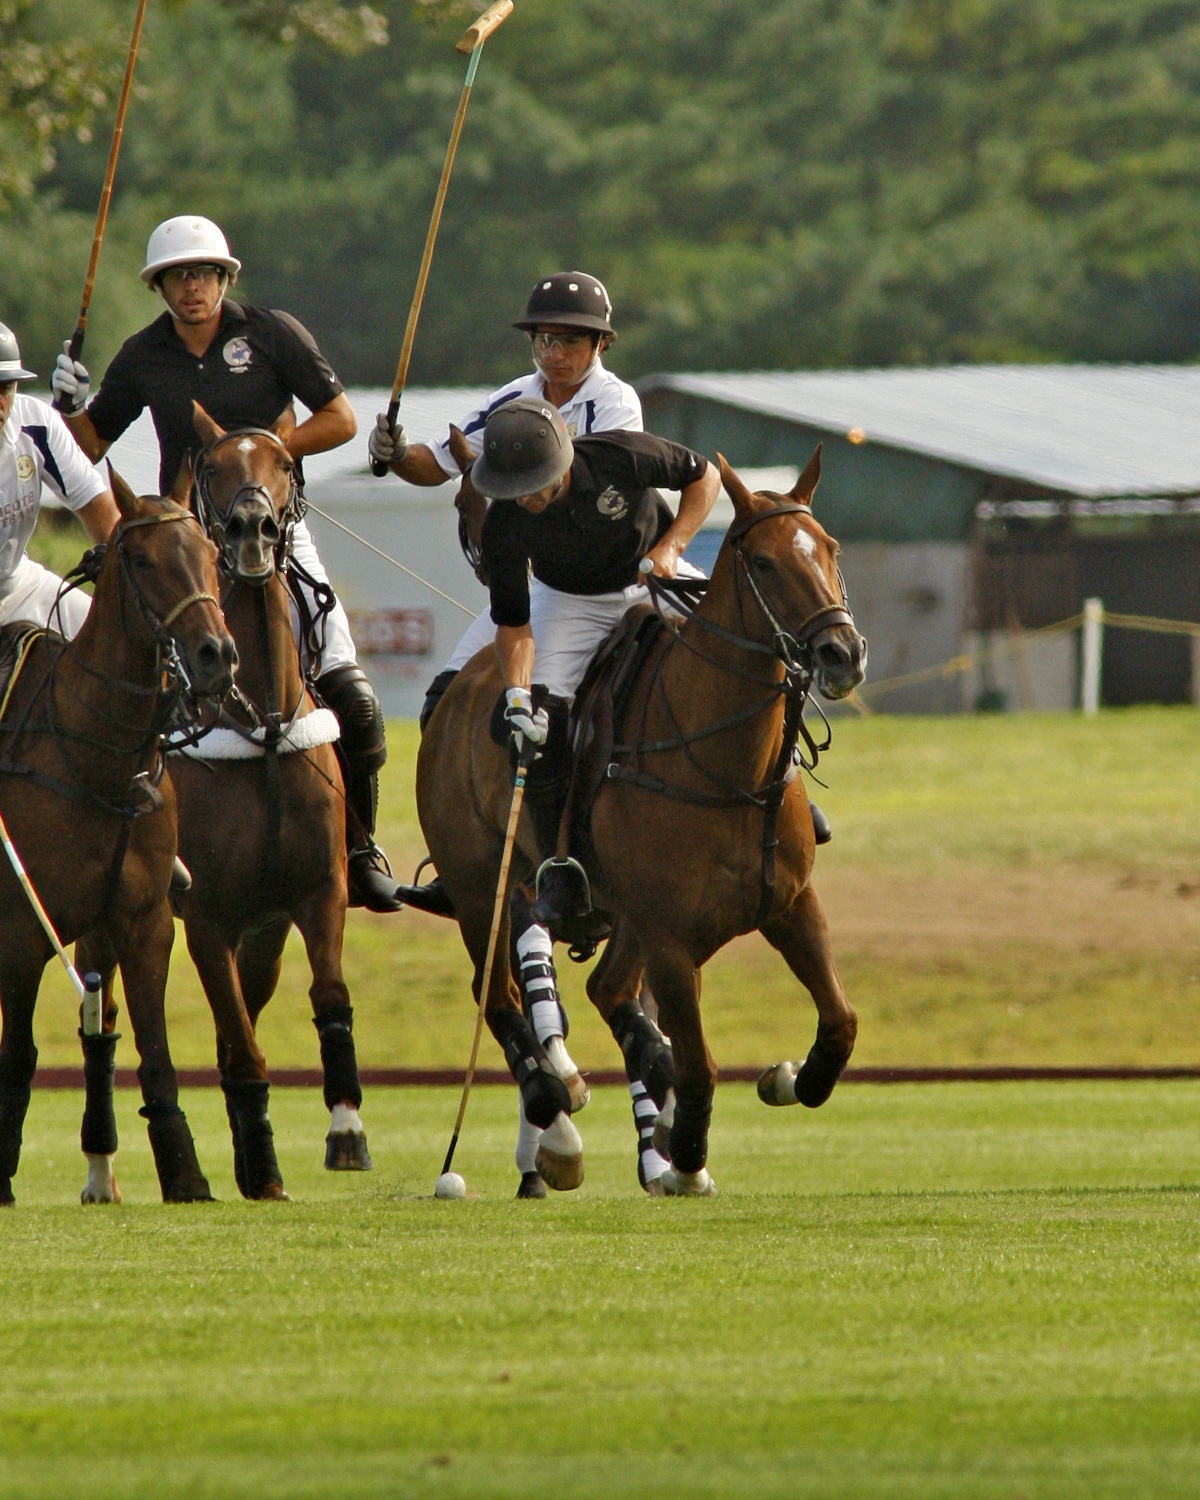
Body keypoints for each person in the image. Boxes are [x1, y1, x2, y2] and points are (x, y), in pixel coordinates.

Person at [50, 215, 402, 912]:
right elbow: (87, 445)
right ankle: (135, 847)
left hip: (273, 532)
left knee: (352, 693)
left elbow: (340, 418)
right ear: (159, 288)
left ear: (224, 278)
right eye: (178, 277)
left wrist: (262, 457)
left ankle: (359, 853)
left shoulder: (272, 334)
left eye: (205, 274)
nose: (193, 287)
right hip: (186, 545)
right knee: (137, 688)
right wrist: (69, 405)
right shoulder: (144, 355)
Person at [471, 398, 720, 1191]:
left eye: (538, 487)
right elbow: (515, 627)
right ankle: (563, 868)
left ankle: (779, 797)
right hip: (570, 609)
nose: (530, 501)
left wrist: (673, 546)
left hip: (654, 577)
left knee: (751, 650)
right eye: (517, 492)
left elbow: (705, 476)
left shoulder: (618, 455)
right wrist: (518, 694)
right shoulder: (505, 523)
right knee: (539, 728)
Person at [367, 271, 642, 729]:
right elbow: (439, 461)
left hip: (630, 573)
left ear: (600, 344)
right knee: (443, 704)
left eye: (570, 341)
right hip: (557, 585)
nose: (554, 354)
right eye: (544, 340)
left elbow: (597, 494)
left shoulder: (616, 403)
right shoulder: (514, 399)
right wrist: (396, 452)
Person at [0, 321, 117, 639]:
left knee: (112, 638)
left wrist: (113, 558)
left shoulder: (37, 424)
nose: (0, 402)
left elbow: (99, 508)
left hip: (19, 586)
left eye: (6, 388)